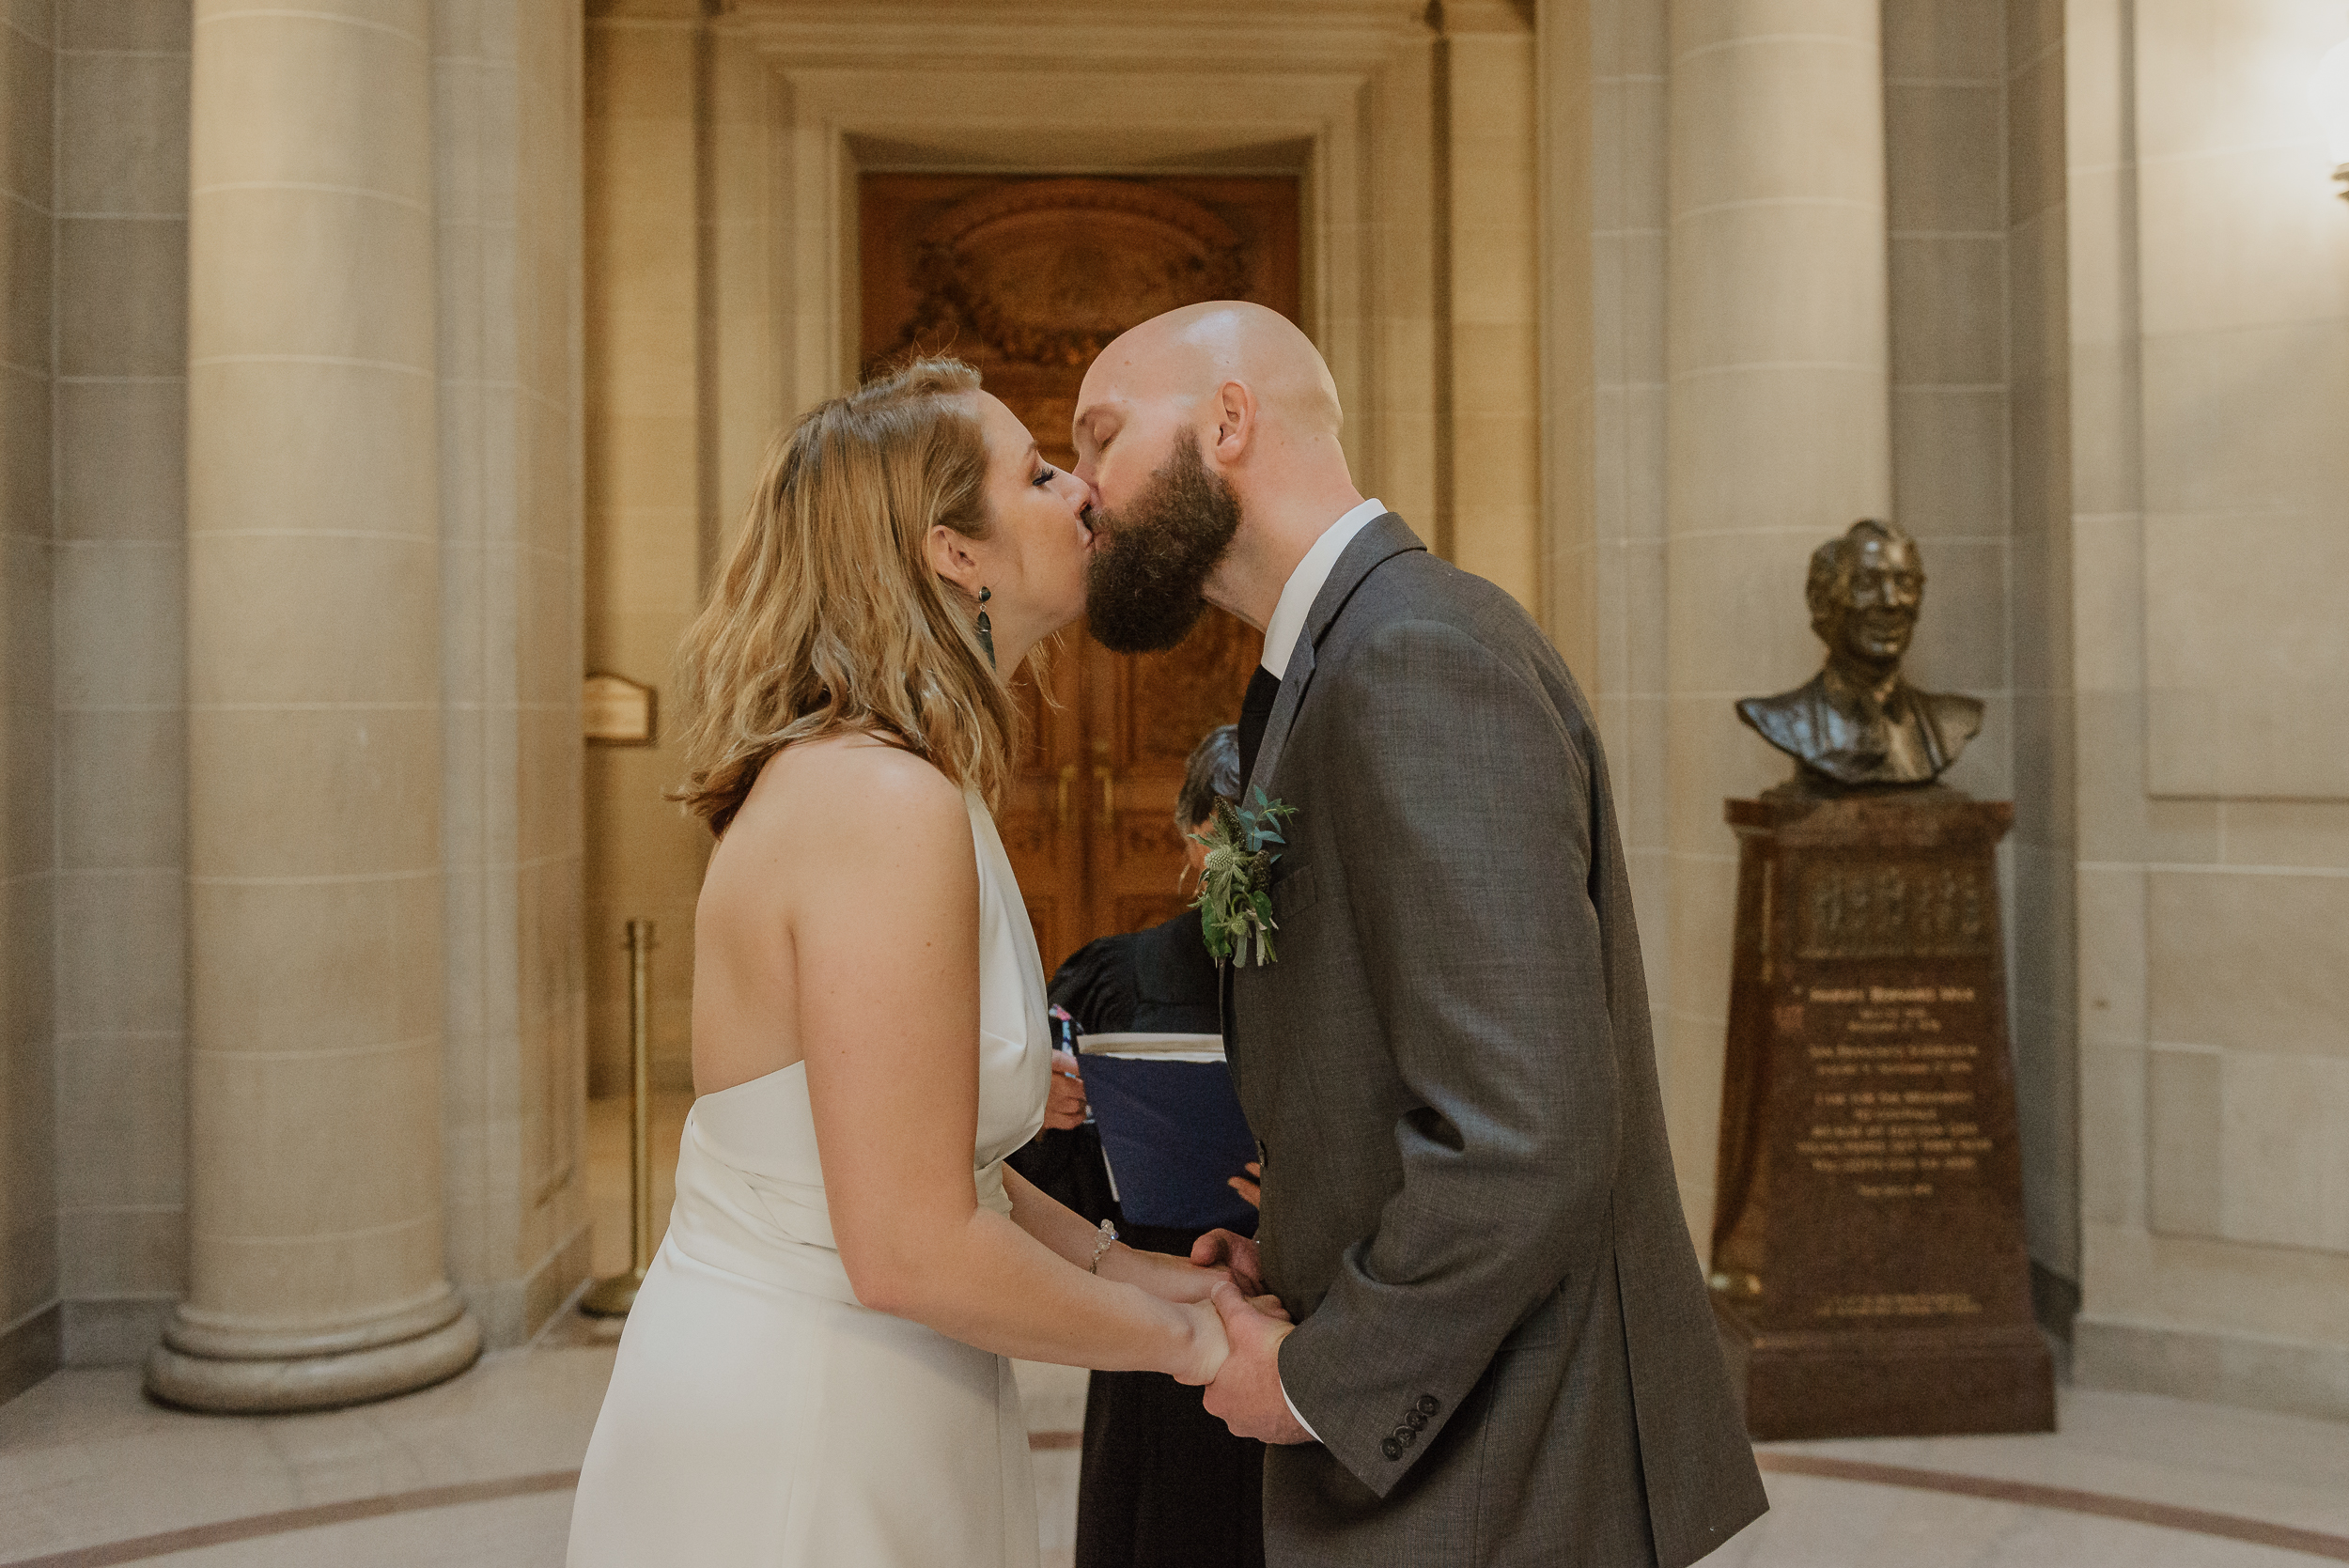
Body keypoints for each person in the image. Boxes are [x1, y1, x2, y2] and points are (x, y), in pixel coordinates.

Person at [1074, 303, 1769, 1567]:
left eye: (1104, 436)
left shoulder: (1417, 655)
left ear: (1228, 422)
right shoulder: (1338, 658)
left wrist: (1318, 1380)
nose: (1082, 489)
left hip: (1503, 1465)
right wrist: (1304, 1236)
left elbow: (1527, 1137)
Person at [566, 358, 1256, 1568]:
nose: (1083, 491)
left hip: (887, 1379)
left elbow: (946, 1169)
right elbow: (912, 1241)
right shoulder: (875, 799)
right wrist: (1197, 1351)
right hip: (806, 1424)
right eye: (1038, 474)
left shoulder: (900, 780)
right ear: (955, 552)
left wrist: (1151, 1276)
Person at [1050, 724, 1268, 1568]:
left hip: (1307, 1292)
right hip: (1160, 1291)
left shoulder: (1350, 979)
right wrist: (1054, 1118)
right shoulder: (1113, 978)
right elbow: (1055, 1199)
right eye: (1220, 843)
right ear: (1187, 836)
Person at [1735, 518, 1983, 788]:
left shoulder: (1953, 720)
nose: (1890, 601)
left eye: (1904, 584)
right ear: (1820, 601)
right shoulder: (1782, 719)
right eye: (1866, 583)